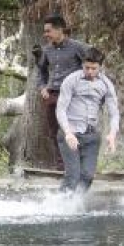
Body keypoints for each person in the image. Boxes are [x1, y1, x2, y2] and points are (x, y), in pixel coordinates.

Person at [54, 47, 119, 194]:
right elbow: (61, 109)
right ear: (82, 65)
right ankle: (59, 206)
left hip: (91, 137)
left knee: (87, 176)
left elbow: (114, 113)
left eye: (93, 68)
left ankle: (76, 205)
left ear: (100, 67)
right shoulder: (71, 80)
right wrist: (68, 133)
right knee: (73, 176)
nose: (89, 71)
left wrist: (112, 134)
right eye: (86, 67)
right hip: (70, 134)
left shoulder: (106, 84)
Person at [38, 15, 89, 170]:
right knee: (55, 132)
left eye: (48, 31)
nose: (46, 34)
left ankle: (80, 164)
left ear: (60, 29)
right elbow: (41, 71)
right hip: (52, 95)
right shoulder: (46, 50)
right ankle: (61, 167)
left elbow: (93, 63)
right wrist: (43, 87)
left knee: (75, 130)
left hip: (73, 96)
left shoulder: (78, 47)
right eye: (45, 31)